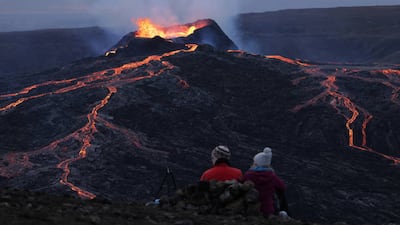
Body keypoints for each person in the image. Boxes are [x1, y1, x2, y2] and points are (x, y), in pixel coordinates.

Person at [241, 147, 289, 218]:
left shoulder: (249, 175)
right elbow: (282, 187)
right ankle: (284, 213)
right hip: (268, 210)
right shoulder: (272, 176)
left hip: (251, 209)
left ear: (256, 164)